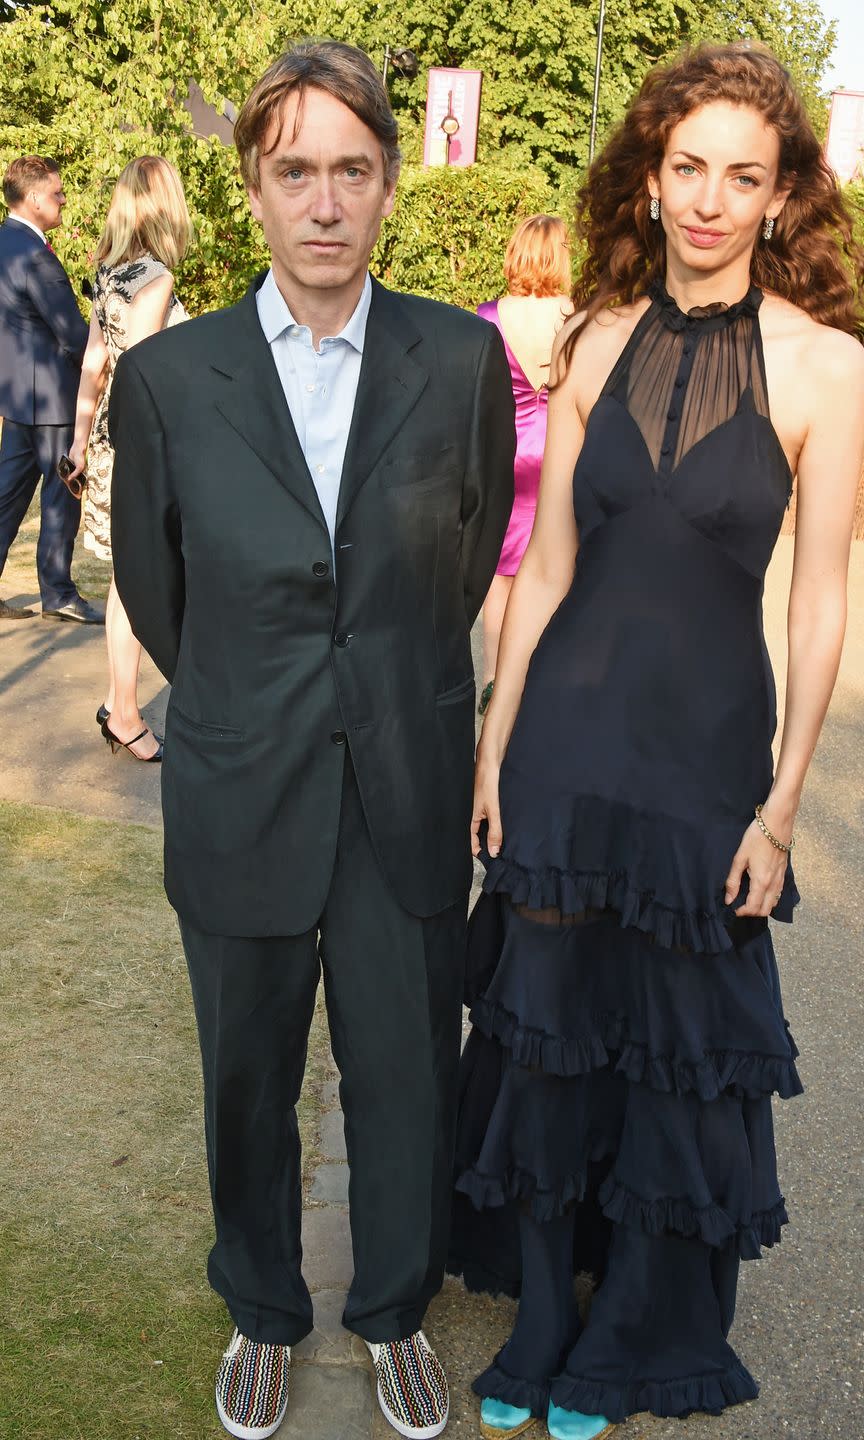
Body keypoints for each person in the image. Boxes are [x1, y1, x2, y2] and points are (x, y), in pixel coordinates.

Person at [452, 42, 864, 1440]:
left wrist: (783, 806)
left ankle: (636, 1335)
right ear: (647, 177)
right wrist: (492, 747)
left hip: (704, 762)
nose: (704, 198)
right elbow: (545, 574)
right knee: (549, 1045)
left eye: (737, 176)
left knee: (674, 1052)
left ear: (776, 200)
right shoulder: (587, 341)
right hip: (563, 752)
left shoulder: (822, 366)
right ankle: (545, 1327)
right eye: (683, 166)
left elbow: (816, 602)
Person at [109, 40, 514, 1440]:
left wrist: (383, 691)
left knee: (407, 1071)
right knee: (246, 1077)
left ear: (389, 186)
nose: (325, 202)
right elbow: (163, 599)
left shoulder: (461, 357)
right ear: (255, 191)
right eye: (296, 173)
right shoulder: (168, 380)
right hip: (241, 785)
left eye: (352, 170)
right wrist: (254, 701)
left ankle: (395, 1312)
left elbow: (455, 569)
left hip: (402, 783)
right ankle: (264, 1314)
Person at [66, 155, 191, 762]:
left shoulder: (110, 272)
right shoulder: (155, 278)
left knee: (126, 581)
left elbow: (96, 361)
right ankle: (124, 710)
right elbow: (141, 371)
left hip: (109, 444)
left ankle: (123, 708)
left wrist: (76, 441)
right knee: (138, 582)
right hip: (140, 447)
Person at [476, 216, 571, 712]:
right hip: (557, 452)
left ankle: (493, 676)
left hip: (507, 452)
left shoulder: (489, 315)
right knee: (553, 564)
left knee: (501, 575)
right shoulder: (574, 319)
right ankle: (537, 677)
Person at [0, 155, 101, 623]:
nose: (63, 199)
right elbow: (73, 335)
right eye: (57, 193)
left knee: (7, 495)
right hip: (55, 401)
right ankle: (57, 593)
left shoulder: (3, 244)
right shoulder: (37, 258)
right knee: (63, 495)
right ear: (35, 197)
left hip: (16, 397)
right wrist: (102, 373)